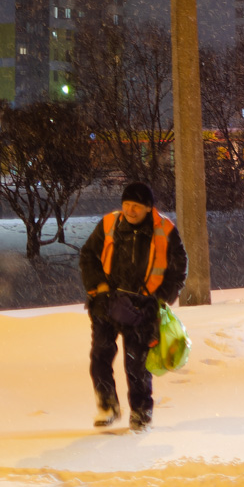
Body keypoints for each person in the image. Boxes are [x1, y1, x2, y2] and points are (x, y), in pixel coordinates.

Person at [79, 182, 187, 432]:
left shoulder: (166, 230)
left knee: (136, 363)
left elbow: (178, 269)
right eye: (126, 205)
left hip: (141, 308)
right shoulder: (109, 224)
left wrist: (159, 300)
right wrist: (99, 288)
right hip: (106, 304)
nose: (130, 210)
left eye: (136, 206)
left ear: (149, 208)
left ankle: (141, 411)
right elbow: (87, 256)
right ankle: (107, 406)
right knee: (100, 357)